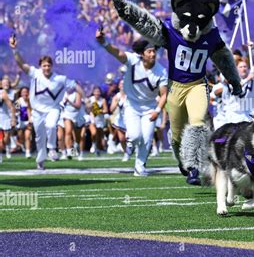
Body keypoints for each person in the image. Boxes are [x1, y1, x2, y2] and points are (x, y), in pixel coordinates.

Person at [96, 28, 168, 176]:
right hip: (132, 105)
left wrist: (157, 110)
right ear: (142, 54)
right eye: (149, 51)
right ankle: (129, 145)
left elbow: (164, 94)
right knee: (135, 136)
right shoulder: (133, 60)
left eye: (154, 51)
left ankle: (140, 167)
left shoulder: (161, 71)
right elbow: (117, 52)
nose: (153, 54)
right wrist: (104, 42)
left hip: (150, 108)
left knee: (147, 138)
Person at [9, 34, 82, 170]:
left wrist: (87, 99)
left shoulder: (59, 78)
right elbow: (21, 64)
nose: (46, 68)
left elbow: (75, 86)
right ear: (40, 66)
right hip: (37, 111)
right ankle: (41, 159)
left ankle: (52, 149)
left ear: (52, 66)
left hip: (53, 109)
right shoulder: (35, 73)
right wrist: (15, 50)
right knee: (39, 138)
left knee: (51, 125)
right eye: (44, 66)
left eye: (48, 65)